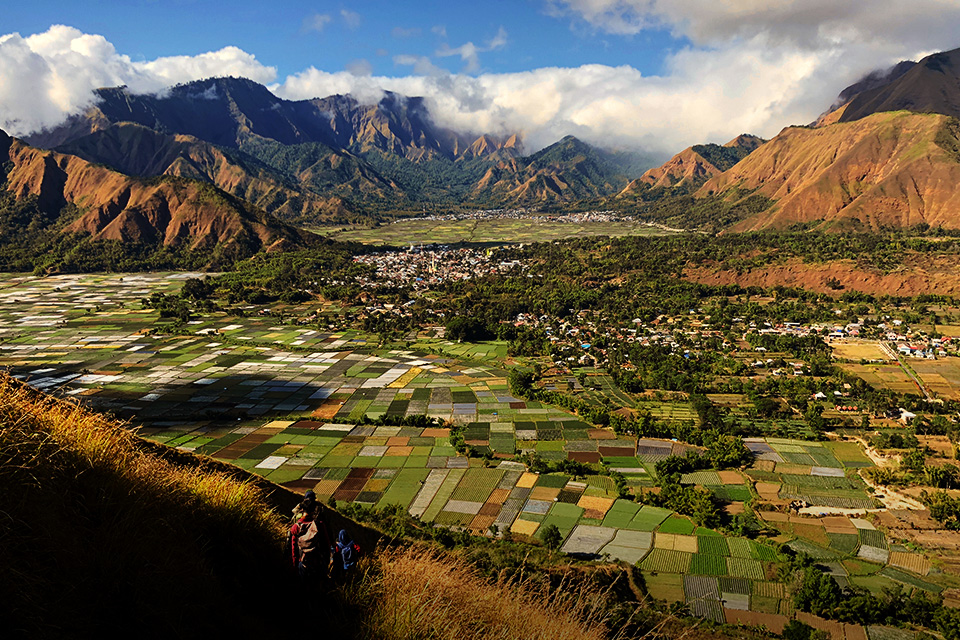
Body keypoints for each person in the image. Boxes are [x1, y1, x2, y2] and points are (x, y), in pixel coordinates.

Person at [289, 492, 331, 582]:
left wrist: (295, 565)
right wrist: (326, 561)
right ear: (313, 511)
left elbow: (294, 549)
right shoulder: (319, 524)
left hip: (303, 563)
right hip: (318, 563)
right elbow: (326, 544)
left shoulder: (296, 527)